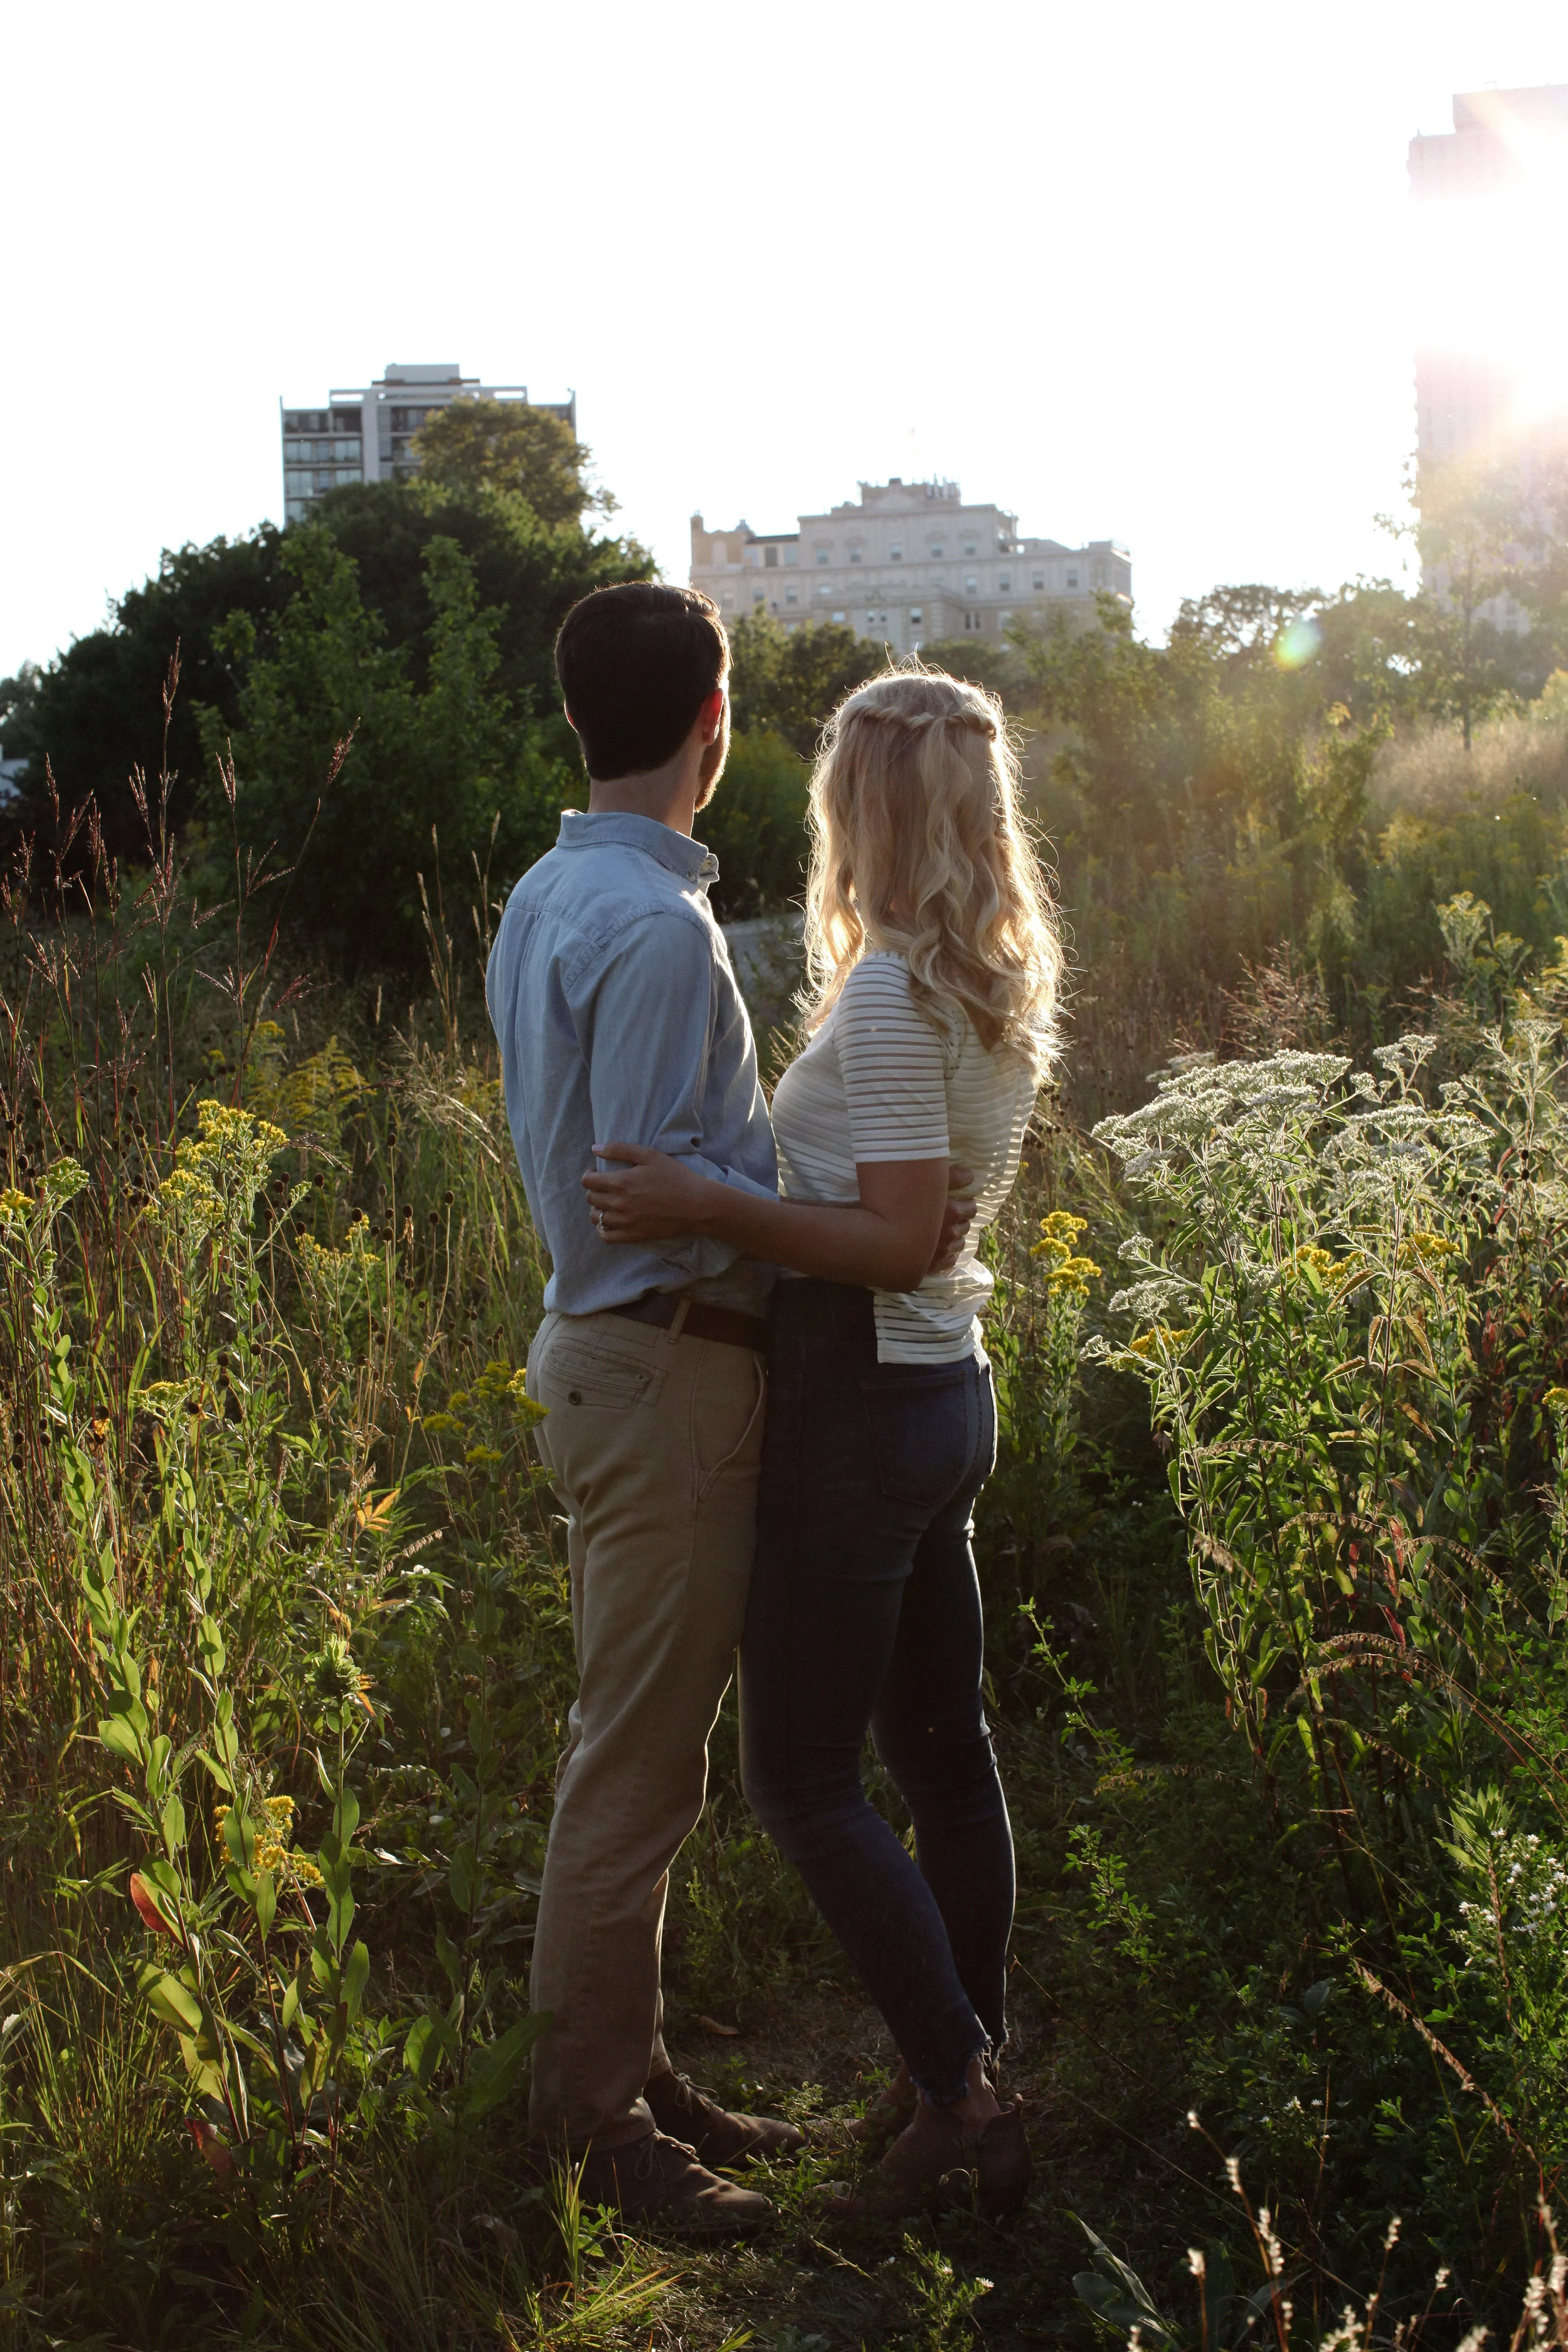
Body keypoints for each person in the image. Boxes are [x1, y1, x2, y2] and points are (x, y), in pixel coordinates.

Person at [484, 587, 969, 2232]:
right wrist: (787, 1188)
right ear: (715, 718)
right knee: (634, 1761)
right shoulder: (661, 926)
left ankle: (631, 2060)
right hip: (668, 1358)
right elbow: (643, 1187)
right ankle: (594, 2124)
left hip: (621, 1358)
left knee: (647, 1748)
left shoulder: (547, 890)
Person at [584, 663, 1061, 2217]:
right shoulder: (990, 971)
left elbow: (901, 1237)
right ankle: (961, 2069)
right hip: (944, 1397)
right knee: (943, 1761)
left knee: (801, 1778)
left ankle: (955, 2096)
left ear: (864, 806)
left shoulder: (886, 986)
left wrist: (703, 1202)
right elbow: (932, 1230)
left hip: (868, 1396)